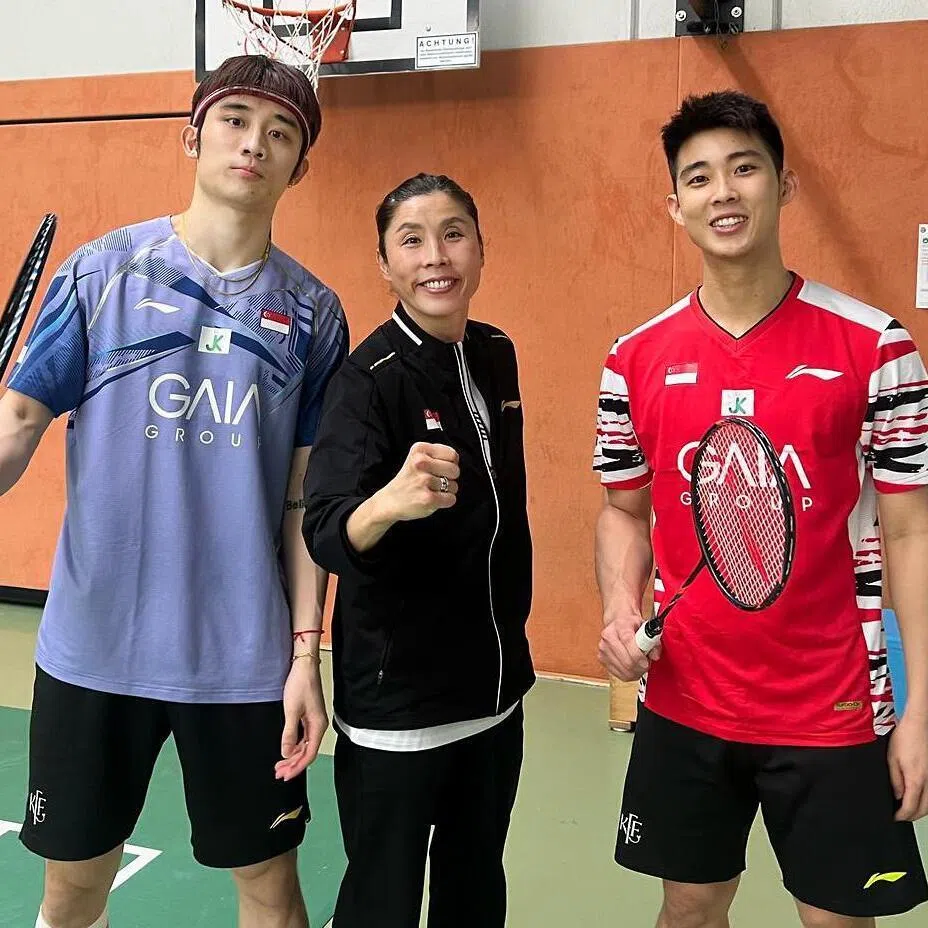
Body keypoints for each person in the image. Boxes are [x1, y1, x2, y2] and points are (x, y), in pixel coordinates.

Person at [0, 54, 348, 928]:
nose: (253, 144)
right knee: (72, 890)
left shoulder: (314, 314)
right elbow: (16, 427)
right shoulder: (101, 273)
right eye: (233, 120)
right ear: (192, 135)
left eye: (280, 133)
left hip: (241, 663)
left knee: (271, 890)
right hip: (93, 650)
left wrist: (305, 658)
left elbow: (304, 507)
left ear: (298, 166)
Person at [593, 90, 928, 927]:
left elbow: (912, 529)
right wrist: (619, 606)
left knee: (836, 920)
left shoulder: (877, 347)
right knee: (691, 907)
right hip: (685, 701)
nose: (724, 192)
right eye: (699, 177)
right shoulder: (631, 360)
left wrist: (924, 707)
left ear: (787, 184)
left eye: (745, 168)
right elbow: (624, 511)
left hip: (837, 705)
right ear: (676, 206)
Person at [301, 172, 535, 928]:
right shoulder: (365, 381)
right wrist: (388, 504)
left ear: (480, 246)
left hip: (494, 697)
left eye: (453, 233)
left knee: (475, 891)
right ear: (385, 264)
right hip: (397, 711)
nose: (437, 256)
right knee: (382, 902)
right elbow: (327, 529)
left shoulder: (496, 353)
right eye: (412, 240)